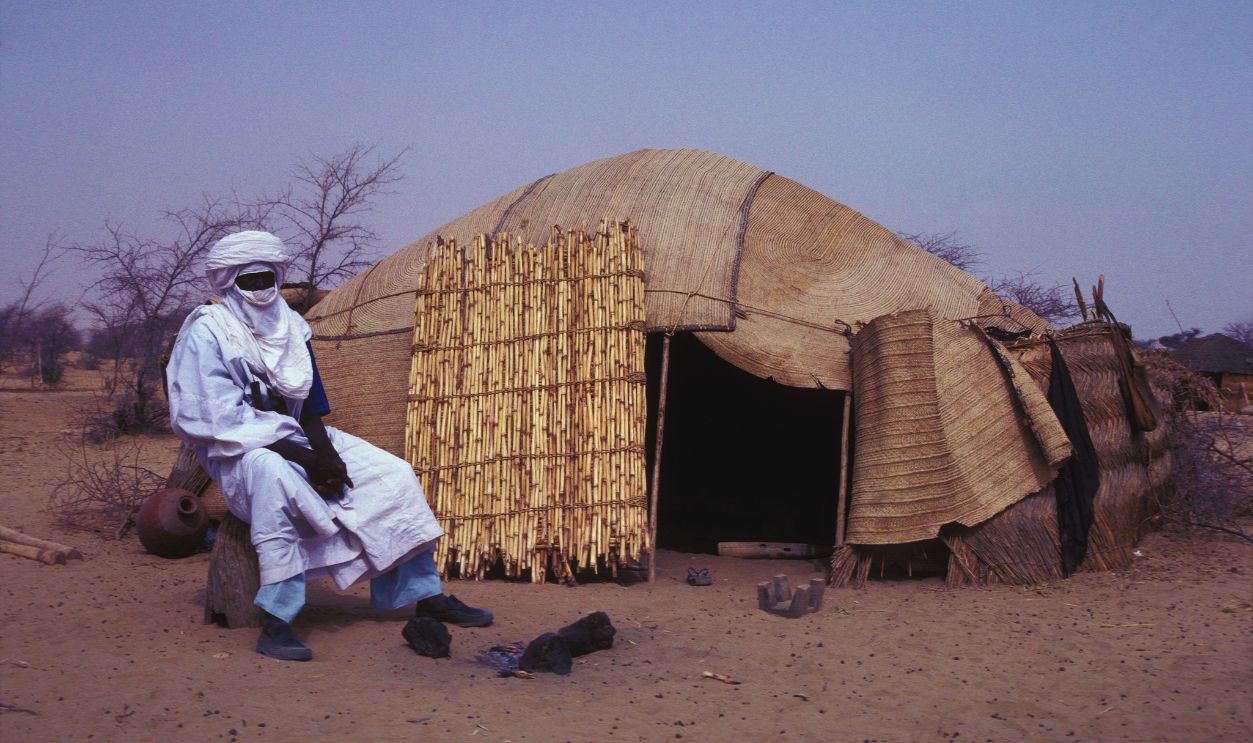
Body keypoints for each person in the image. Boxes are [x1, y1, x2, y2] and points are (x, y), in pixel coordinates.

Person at [166, 230, 491, 661]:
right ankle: (277, 620)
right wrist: (307, 459)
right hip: (238, 450)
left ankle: (425, 595)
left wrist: (328, 456)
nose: (261, 289)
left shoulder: (290, 325)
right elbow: (219, 419)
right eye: (250, 281)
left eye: (268, 279)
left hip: (297, 436)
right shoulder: (209, 333)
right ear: (229, 283)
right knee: (272, 475)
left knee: (392, 474)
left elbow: (311, 404)